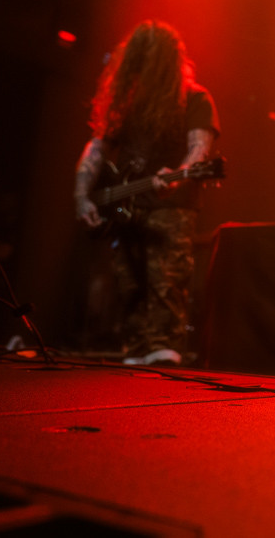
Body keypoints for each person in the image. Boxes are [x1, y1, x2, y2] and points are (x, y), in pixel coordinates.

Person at [73, 20, 220, 366]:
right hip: (125, 207)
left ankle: (164, 349)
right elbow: (96, 148)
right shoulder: (127, 103)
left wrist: (178, 177)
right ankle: (137, 348)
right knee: (129, 284)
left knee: (166, 280)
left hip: (172, 206)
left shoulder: (195, 98)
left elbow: (199, 150)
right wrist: (81, 195)